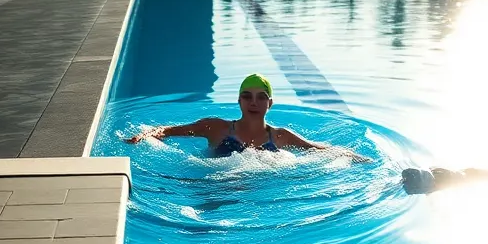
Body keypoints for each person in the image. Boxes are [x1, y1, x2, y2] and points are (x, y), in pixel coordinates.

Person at [125, 73, 370, 161]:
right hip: (211, 190)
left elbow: (319, 149)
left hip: (257, 201)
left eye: (261, 96)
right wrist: (145, 135)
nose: (254, 102)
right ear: (239, 101)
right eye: (247, 96)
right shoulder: (216, 128)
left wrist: (357, 157)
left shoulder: (281, 136)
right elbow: (167, 130)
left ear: (270, 103)